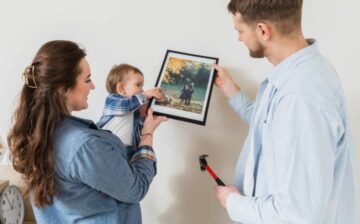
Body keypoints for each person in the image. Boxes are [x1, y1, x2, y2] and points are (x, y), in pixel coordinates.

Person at [213, 0, 356, 223]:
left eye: (240, 30)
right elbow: (272, 128)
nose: (239, 38)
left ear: (262, 30)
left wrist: (232, 202)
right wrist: (231, 90)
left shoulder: (301, 96)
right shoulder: (297, 74)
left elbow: (297, 214)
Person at [7, 40, 167, 224]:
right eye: (87, 79)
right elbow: (136, 188)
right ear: (62, 89)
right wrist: (148, 134)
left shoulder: (40, 132)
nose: (93, 86)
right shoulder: (84, 145)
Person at [97, 64, 164, 149]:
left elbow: (138, 132)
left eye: (142, 86)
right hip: (106, 146)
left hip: (126, 150)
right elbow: (126, 106)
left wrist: (144, 116)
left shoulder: (134, 109)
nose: (142, 90)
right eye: (138, 85)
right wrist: (145, 95)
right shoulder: (113, 101)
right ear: (121, 88)